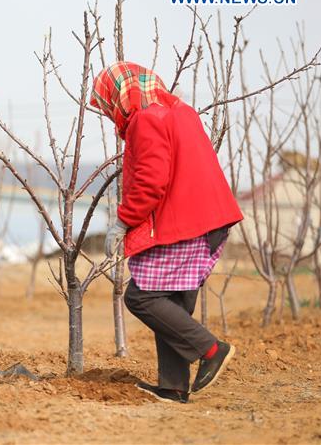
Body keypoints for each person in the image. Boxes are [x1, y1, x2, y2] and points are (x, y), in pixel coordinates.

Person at [92, 62, 243, 404]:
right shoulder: (179, 111)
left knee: (142, 297)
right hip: (207, 222)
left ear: (120, 94)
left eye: (107, 102)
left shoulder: (146, 119)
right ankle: (174, 387)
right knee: (172, 301)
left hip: (186, 224)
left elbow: (151, 180)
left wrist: (123, 221)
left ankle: (212, 350)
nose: (109, 111)